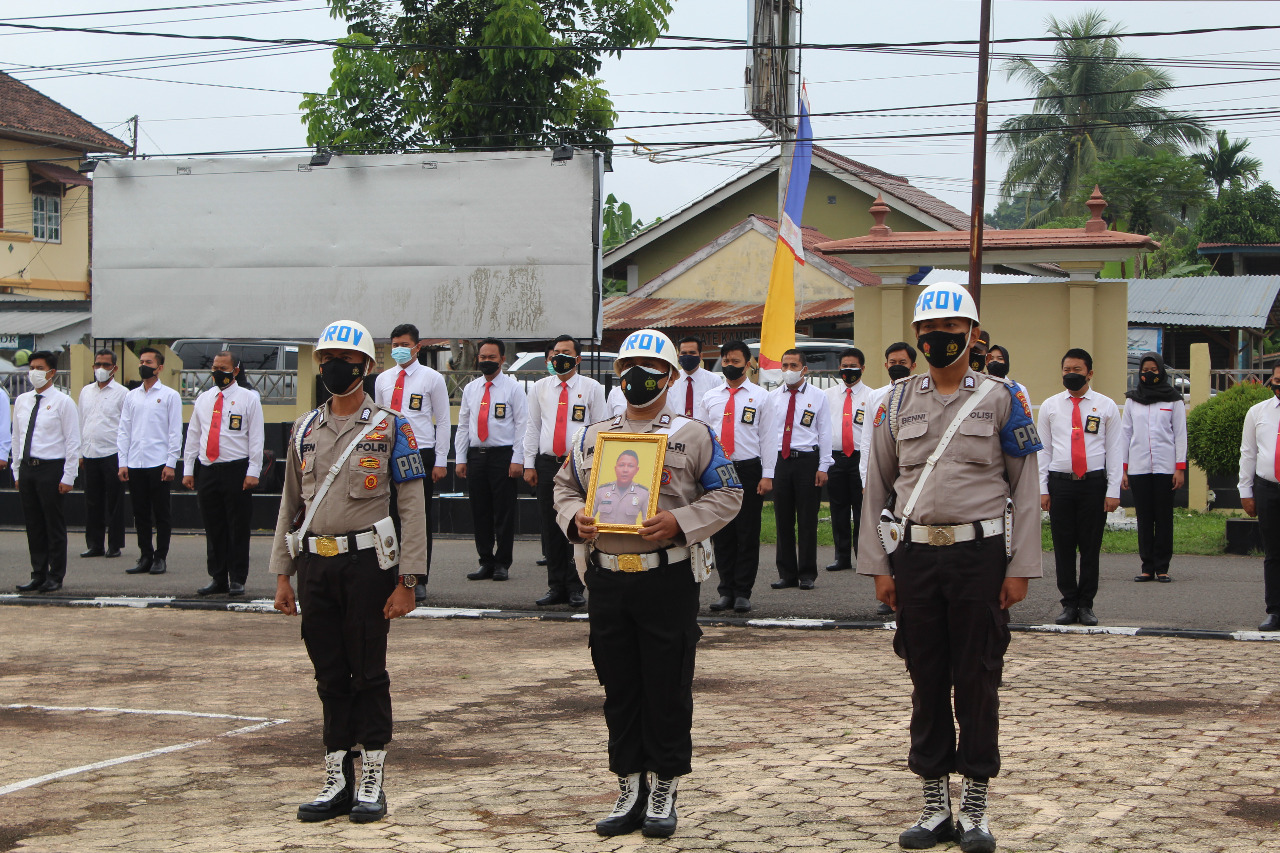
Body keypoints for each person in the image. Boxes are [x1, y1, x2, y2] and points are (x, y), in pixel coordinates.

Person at [858, 281, 1042, 853]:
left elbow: (1027, 488)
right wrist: (879, 565)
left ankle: (977, 806)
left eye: (950, 332)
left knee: (978, 678)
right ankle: (935, 804)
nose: (938, 341)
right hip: (914, 556)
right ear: (917, 337)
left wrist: (1021, 567)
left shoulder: (1004, 398)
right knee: (926, 676)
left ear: (972, 335)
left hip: (979, 557)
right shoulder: (894, 402)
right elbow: (876, 488)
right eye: (929, 333)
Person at [553, 328, 742, 839]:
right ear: (617, 375)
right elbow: (564, 485)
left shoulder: (694, 434)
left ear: (672, 377)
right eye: (628, 368)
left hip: (667, 578)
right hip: (608, 579)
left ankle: (665, 786)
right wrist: (575, 520)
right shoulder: (592, 436)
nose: (637, 377)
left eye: (650, 369)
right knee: (618, 685)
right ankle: (630, 783)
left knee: (666, 684)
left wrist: (681, 522)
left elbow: (728, 495)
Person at [272, 319, 428, 824]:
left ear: (365, 366)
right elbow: (289, 504)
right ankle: (337, 777)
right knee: (329, 673)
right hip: (316, 563)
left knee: (368, 671)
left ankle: (372, 778)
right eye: (327, 359)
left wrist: (408, 581)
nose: (335, 366)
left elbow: (412, 506)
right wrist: (282, 574)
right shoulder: (303, 429)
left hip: (368, 565)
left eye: (346, 358)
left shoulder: (392, 426)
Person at [1037, 348, 1123, 627]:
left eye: (1077, 370)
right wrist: (1042, 488)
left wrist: (1113, 492)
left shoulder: (1106, 406)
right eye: (1067, 370)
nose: (1071, 375)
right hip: (1060, 484)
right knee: (1063, 547)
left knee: (1089, 547)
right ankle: (1068, 603)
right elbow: (1043, 450)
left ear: (1090, 372)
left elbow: (1115, 449)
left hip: (1093, 485)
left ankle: (1086, 604)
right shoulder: (1050, 406)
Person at [524, 334, 607, 608]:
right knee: (550, 527)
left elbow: (601, 428)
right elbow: (533, 427)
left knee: (576, 524)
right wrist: (529, 463)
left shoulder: (592, 387)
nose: (559, 357)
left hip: (579, 465)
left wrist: (597, 466)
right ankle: (555, 586)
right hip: (548, 463)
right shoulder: (539, 388)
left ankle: (576, 586)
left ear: (578, 358)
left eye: (565, 352)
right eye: (555, 352)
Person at [374, 323, 451, 602]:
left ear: (418, 347)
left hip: (419, 454)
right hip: (387, 453)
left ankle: (417, 579)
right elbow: (378, 419)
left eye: (405, 345)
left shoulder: (432, 378)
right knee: (388, 517)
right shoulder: (382, 379)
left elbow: (442, 421)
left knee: (417, 519)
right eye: (395, 345)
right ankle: (389, 575)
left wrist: (441, 460)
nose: (399, 350)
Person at [182, 351, 265, 597]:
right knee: (213, 525)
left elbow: (257, 438)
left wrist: (253, 471)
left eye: (223, 368)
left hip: (236, 470)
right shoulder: (204, 399)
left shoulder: (248, 398)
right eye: (215, 367)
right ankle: (218, 577)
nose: (218, 372)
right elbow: (193, 435)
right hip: (208, 469)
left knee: (237, 526)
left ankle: (237, 578)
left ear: (236, 370)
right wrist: (188, 469)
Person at [697, 340, 767, 613]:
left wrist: (768, 475)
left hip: (749, 469)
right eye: (725, 361)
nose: (730, 366)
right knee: (722, 533)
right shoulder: (711, 397)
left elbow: (768, 438)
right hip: (718, 471)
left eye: (736, 361)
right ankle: (725, 590)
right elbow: (703, 438)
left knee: (747, 532)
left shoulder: (761, 397)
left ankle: (743, 592)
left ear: (748, 364)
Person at [454, 338, 528, 582]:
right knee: (480, 511)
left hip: (503, 456)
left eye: (491, 358)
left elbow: (522, 426)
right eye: (483, 357)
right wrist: (461, 458)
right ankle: (485, 561)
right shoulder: (472, 388)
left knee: (503, 512)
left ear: (502, 359)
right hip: (477, 457)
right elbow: (464, 424)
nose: (486, 361)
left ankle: (502, 563)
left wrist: (518, 459)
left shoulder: (513, 388)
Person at [760, 348, 832, 590]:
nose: (788, 370)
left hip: (807, 461)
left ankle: (807, 573)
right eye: (785, 366)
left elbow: (825, 432)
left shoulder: (818, 396)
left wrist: (824, 466)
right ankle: (786, 573)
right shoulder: (773, 397)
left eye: (793, 365)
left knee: (807, 518)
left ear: (804, 369)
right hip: (781, 461)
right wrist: (767, 468)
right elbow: (767, 435)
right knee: (783, 518)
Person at [12, 351, 80, 593]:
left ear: (51, 372)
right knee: (33, 524)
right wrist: (17, 471)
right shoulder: (23, 400)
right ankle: (38, 573)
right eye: (31, 367)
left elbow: (72, 441)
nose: (34, 372)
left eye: (39, 368)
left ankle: (55, 574)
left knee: (53, 524)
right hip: (28, 468)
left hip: (51, 468)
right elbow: (17, 437)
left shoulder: (63, 402)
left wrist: (68, 476)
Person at [1121, 352, 1187, 584]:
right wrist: (1124, 468)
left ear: (1161, 371)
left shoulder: (1173, 399)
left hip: (1165, 468)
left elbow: (1180, 435)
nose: (1149, 374)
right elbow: (1125, 434)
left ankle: (1162, 567)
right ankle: (1147, 566)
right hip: (1138, 468)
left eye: (1154, 370)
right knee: (1145, 518)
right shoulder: (1132, 400)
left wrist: (1180, 468)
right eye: (1145, 370)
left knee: (1163, 517)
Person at [117, 347, 183, 577]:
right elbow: (124, 430)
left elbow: (175, 432)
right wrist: (122, 462)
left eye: (148, 361)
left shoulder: (169, 396)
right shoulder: (131, 396)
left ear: (160, 367)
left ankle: (160, 557)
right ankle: (145, 554)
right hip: (135, 463)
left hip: (159, 463)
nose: (143, 365)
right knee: (140, 513)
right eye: (141, 361)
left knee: (161, 513)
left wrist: (171, 463)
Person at [824, 347, 874, 574]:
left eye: (853, 366)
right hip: (836, 459)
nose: (848, 370)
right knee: (839, 509)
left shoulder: (871, 397)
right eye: (844, 366)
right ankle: (841, 556)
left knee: (862, 510)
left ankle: (862, 556)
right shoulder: (828, 396)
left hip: (860, 459)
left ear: (862, 368)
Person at [1239, 365, 1280, 631]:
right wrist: (1245, 491)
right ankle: (1275, 610)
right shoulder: (1258, 412)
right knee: (1273, 553)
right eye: (1277, 380)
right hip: (1268, 489)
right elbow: (1249, 453)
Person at [78, 349, 128, 559]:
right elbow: (81, 421)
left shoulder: (123, 393)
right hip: (90, 452)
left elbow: (126, 426)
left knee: (114, 501)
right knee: (92, 500)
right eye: (98, 364)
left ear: (114, 368)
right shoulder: (85, 392)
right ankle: (95, 544)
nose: (101, 369)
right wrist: (80, 452)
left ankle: (114, 545)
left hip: (112, 453)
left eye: (106, 365)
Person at [860, 342, 918, 489]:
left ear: (913, 366)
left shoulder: (921, 395)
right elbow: (867, 438)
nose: (897, 366)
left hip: (913, 468)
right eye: (893, 362)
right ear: (886, 365)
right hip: (883, 467)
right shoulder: (875, 397)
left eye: (902, 362)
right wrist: (865, 478)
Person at [671, 336, 723, 417]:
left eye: (692, 353)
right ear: (678, 357)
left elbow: (719, 410)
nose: (687, 356)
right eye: (684, 353)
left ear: (700, 356)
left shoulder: (714, 380)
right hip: (677, 428)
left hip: (704, 428)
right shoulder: (671, 380)